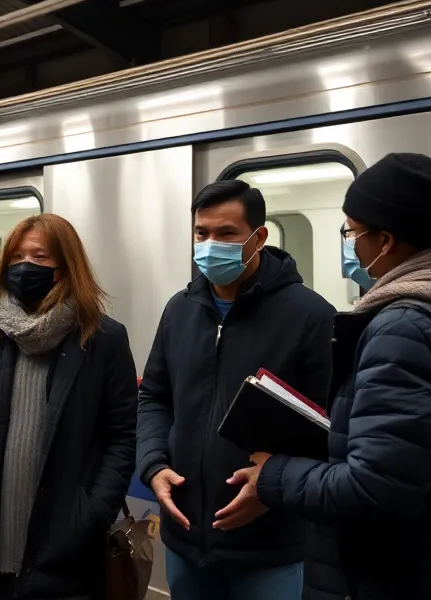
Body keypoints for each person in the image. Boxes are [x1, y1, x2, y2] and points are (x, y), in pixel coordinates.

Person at [218, 154, 431, 600]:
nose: (349, 244)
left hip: (395, 575)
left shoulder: (403, 330)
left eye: (351, 232)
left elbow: (377, 488)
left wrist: (275, 475)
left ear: (385, 241)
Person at [137, 179, 335, 600]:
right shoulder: (180, 310)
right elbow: (154, 396)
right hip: (185, 538)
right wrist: (153, 464)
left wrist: (272, 489)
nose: (210, 244)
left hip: (269, 545)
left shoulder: (311, 316)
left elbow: (330, 427)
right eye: (201, 233)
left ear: (258, 237)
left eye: (226, 233)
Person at [0, 213, 137, 600]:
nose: (25, 266)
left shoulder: (103, 338)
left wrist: (92, 513)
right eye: (16, 256)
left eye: (40, 257)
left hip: (66, 543)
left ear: (66, 265)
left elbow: (122, 438)